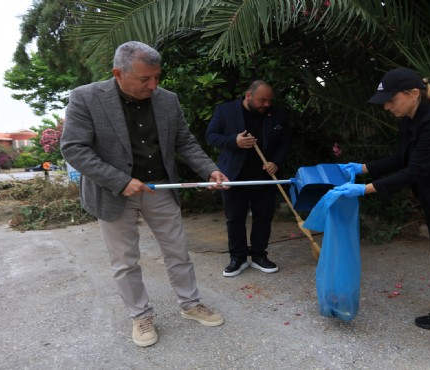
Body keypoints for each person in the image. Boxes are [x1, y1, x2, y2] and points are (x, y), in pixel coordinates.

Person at [60, 41, 230, 347]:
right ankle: (140, 315)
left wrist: (210, 170)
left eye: (157, 77)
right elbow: (74, 148)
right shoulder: (86, 97)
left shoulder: (168, 100)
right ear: (118, 73)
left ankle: (191, 305)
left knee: (178, 251)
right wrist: (120, 180)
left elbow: (185, 142)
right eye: (144, 79)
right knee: (125, 261)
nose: (153, 86)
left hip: (160, 188)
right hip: (112, 192)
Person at [335, 68, 430, 370]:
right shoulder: (410, 120)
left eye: (390, 100)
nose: (387, 107)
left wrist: (365, 189)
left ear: (413, 94)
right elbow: (404, 159)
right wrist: (362, 168)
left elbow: (417, 170)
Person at [205, 81, 291, 277]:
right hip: (233, 176)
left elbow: (285, 142)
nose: (267, 104)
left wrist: (275, 162)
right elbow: (211, 136)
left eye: (269, 100)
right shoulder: (225, 111)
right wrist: (233, 141)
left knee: (264, 217)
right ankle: (238, 258)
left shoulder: (277, 113)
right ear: (248, 96)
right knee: (235, 218)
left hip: (264, 176)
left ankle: (259, 255)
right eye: (263, 100)